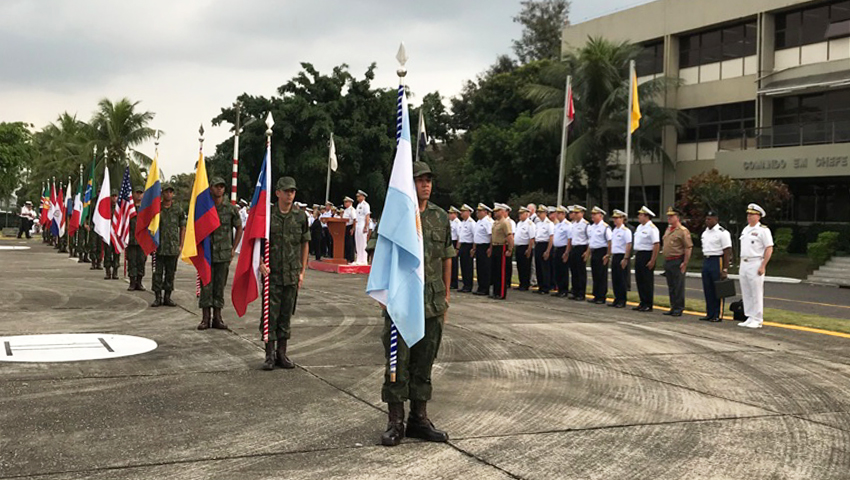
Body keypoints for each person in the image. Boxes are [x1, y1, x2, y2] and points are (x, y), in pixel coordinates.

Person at [381, 161, 454, 447]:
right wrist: (386, 295)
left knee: (425, 363)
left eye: (429, 180)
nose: (426, 184)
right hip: (402, 302)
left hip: (432, 303)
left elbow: (447, 256)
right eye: (420, 180)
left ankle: (418, 419)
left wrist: (446, 297)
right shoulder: (396, 216)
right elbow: (380, 255)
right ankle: (395, 421)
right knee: (398, 363)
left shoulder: (440, 217)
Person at [258, 177, 310, 369]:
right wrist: (260, 262)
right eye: (286, 191)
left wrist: (302, 270)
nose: (290, 194)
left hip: (291, 273)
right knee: (269, 314)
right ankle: (269, 355)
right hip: (272, 274)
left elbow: (305, 243)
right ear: (277, 192)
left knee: (286, 314)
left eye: (293, 191)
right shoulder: (267, 215)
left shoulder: (300, 216)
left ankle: (282, 353)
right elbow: (256, 243)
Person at [197, 177, 243, 331]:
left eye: (222, 187)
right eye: (216, 186)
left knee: (219, 286)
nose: (219, 189)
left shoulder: (230, 209)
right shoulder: (205, 208)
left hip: (223, 254)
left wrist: (233, 248)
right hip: (207, 254)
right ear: (210, 188)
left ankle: (218, 317)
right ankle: (205, 318)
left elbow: (239, 228)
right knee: (206, 286)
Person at [738, 203, 774, 329]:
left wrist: (763, 265)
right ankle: (749, 316)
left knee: (756, 292)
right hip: (744, 262)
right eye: (748, 214)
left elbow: (769, 248)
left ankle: (758, 318)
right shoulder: (746, 229)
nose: (749, 217)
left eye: (752, 214)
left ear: (758, 216)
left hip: (756, 262)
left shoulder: (763, 230)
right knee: (746, 291)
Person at [151, 183, 186, 308]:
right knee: (157, 273)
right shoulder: (156, 209)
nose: (168, 194)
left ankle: (167, 297)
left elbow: (182, 227)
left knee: (170, 273)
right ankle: (157, 297)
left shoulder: (178, 210)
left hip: (172, 248)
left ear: (173, 194)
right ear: (162, 193)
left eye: (171, 192)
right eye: (166, 192)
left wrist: (181, 245)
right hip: (158, 248)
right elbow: (151, 227)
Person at [699, 210, 732, 322]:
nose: (707, 221)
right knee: (707, 288)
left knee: (718, 288)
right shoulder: (705, 233)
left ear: (716, 219)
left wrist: (725, 268)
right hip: (707, 260)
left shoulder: (722, 232)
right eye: (706, 218)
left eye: (710, 219)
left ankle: (718, 314)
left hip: (717, 260)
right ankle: (710, 313)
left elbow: (727, 251)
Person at [662, 207, 692, 317]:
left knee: (678, 285)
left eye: (671, 216)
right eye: (668, 216)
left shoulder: (682, 231)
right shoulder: (668, 229)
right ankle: (673, 306)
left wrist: (685, 263)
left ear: (677, 217)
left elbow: (688, 247)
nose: (669, 218)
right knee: (671, 286)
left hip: (677, 260)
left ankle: (679, 307)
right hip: (668, 260)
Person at [633, 206, 660, 312]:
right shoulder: (639, 227)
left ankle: (648, 303)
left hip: (647, 255)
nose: (638, 217)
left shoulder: (652, 228)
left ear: (646, 216)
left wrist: (653, 260)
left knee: (647, 280)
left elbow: (656, 244)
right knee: (639, 279)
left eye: (640, 215)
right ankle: (642, 302)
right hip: (639, 254)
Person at [587, 207, 613, 304]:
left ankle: (601, 296)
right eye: (592, 214)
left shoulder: (605, 227)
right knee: (595, 274)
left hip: (602, 252)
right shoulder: (592, 227)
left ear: (600, 216)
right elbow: (591, 241)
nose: (592, 216)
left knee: (601, 275)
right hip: (594, 251)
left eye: (595, 214)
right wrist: (588, 253)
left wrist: (608, 255)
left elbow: (610, 241)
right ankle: (596, 295)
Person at [126, 185, 148, 291]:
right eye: (137, 193)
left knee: (141, 261)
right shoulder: (129, 208)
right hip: (131, 240)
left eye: (141, 193)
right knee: (131, 261)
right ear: (133, 194)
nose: (139, 195)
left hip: (143, 241)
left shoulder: (146, 209)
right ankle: (132, 282)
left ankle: (139, 282)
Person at [489, 204, 513, 300]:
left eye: (497, 211)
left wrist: (510, 249)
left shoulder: (505, 223)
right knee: (495, 271)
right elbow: (492, 237)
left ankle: (501, 293)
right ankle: (496, 291)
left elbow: (510, 237)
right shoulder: (495, 223)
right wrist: (490, 248)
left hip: (502, 246)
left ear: (502, 212)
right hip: (495, 246)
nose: (495, 213)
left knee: (501, 271)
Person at [609, 209, 632, 308]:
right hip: (615, 255)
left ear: (623, 219)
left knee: (622, 279)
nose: (615, 220)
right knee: (615, 278)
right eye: (614, 218)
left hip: (622, 256)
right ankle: (617, 298)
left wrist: (626, 258)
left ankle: (622, 300)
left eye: (617, 218)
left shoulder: (625, 231)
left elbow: (628, 244)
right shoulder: (614, 230)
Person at [567, 205, 589, 301]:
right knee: (574, 271)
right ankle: (575, 291)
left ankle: (581, 293)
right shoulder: (573, 224)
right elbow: (571, 238)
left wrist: (587, 252)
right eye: (574, 213)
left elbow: (589, 239)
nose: (575, 215)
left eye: (577, 213)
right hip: (574, 248)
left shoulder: (586, 225)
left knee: (581, 272)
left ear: (582, 213)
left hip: (581, 248)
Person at [471, 204, 493, 296]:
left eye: (480, 211)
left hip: (485, 246)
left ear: (485, 212)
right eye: (477, 211)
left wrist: (490, 248)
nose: (477, 213)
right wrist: (474, 248)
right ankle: (481, 287)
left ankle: (485, 288)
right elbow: (476, 236)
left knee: (485, 268)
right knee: (480, 268)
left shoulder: (488, 221)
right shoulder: (479, 222)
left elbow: (491, 236)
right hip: (479, 246)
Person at [514, 206, 536, 291]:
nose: (520, 215)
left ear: (527, 214)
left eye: (521, 214)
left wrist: (529, 249)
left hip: (525, 247)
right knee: (520, 266)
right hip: (519, 247)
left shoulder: (530, 224)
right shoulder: (519, 223)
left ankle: (525, 284)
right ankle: (521, 283)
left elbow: (532, 238)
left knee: (525, 267)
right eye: (519, 213)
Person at [533, 205, 554, 294]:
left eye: (541, 213)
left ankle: (546, 287)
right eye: (538, 212)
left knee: (545, 267)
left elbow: (551, 238)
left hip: (545, 245)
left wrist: (548, 250)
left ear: (545, 213)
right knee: (538, 267)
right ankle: (540, 286)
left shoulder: (549, 224)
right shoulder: (538, 223)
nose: (539, 214)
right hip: (538, 244)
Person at [552, 206, 570, 297]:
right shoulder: (557, 225)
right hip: (557, 249)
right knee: (557, 270)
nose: (557, 215)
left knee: (563, 270)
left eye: (559, 213)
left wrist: (566, 252)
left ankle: (564, 290)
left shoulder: (567, 225)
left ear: (563, 214)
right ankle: (559, 289)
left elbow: (569, 240)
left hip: (563, 248)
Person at [102, 189, 121, 280]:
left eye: (115, 196)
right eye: (112, 196)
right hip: (108, 235)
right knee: (108, 254)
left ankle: (115, 272)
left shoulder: (119, 209)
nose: (114, 198)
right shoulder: (106, 208)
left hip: (117, 235)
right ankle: (108, 272)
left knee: (116, 254)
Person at [457, 204, 476, 293]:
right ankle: (465, 284)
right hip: (463, 246)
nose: (461, 213)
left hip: (468, 246)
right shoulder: (463, 223)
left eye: (463, 211)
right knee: (463, 266)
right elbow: (460, 237)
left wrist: (473, 248)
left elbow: (475, 236)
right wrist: (458, 248)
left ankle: (468, 286)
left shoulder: (472, 223)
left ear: (468, 212)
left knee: (468, 266)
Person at [354, 190, 371, 265]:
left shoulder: (365, 205)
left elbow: (367, 216)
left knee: (363, 243)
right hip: (358, 224)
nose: (357, 197)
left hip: (362, 224)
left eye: (359, 196)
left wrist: (366, 227)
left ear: (362, 196)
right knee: (358, 242)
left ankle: (364, 260)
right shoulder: (358, 205)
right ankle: (358, 259)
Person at [448, 206, 462, 289]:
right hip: (450, 242)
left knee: (454, 264)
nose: (449, 215)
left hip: (454, 243)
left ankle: (454, 282)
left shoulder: (458, 223)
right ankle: (451, 281)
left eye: (451, 213)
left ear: (456, 214)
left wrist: (457, 248)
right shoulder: (450, 222)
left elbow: (459, 236)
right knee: (450, 264)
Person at [342, 196, 356, 263]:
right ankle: (346, 257)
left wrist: (353, 228)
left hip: (350, 226)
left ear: (350, 202)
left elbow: (354, 219)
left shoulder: (351, 210)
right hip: (345, 226)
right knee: (346, 243)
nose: (345, 203)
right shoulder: (345, 210)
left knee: (350, 243)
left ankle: (351, 258)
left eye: (346, 202)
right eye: (344, 202)